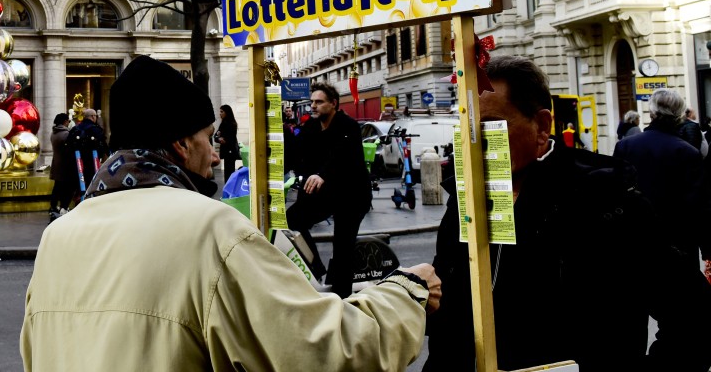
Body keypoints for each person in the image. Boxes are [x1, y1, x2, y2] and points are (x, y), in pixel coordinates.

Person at [21, 56, 439, 370]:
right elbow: (320, 351)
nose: (216, 154)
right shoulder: (208, 228)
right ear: (182, 144)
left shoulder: (59, 235)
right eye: (207, 137)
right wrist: (405, 293)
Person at [425, 56, 711, 371]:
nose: (476, 142)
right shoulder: (462, 206)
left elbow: (693, 316)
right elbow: (446, 321)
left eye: (492, 125)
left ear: (541, 126)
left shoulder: (605, 203)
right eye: (466, 128)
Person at [286, 83, 372, 298]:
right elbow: (296, 153)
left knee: (343, 245)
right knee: (292, 219)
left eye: (319, 102)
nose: (313, 106)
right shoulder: (312, 127)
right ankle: (316, 267)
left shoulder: (348, 126)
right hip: (328, 193)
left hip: (352, 194)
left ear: (333, 104)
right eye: (312, 102)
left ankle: (341, 299)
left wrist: (321, 174)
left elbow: (342, 155)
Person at [614, 89, 706, 267]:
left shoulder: (625, 146)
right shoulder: (688, 152)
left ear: (652, 113)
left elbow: (616, 194)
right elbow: (698, 204)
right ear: (679, 114)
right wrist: (707, 247)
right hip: (678, 242)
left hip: (636, 239)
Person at [64, 108, 108, 191]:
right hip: (92, 162)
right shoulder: (96, 129)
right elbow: (103, 144)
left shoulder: (75, 129)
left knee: (79, 186)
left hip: (77, 163)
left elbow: (68, 145)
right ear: (92, 117)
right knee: (91, 183)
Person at [47, 113, 74, 221]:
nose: (68, 122)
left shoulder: (54, 133)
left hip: (56, 163)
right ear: (64, 121)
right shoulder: (66, 134)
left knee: (57, 186)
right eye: (68, 121)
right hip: (65, 164)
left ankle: (53, 206)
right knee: (66, 187)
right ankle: (64, 207)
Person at [214, 104, 240, 177]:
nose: (220, 113)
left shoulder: (231, 124)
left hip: (230, 152)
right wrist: (219, 139)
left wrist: (222, 139)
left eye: (222, 111)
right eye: (220, 111)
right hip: (226, 152)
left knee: (229, 173)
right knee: (227, 173)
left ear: (227, 112)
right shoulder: (223, 124)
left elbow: (230, 139)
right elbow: (216, 136)